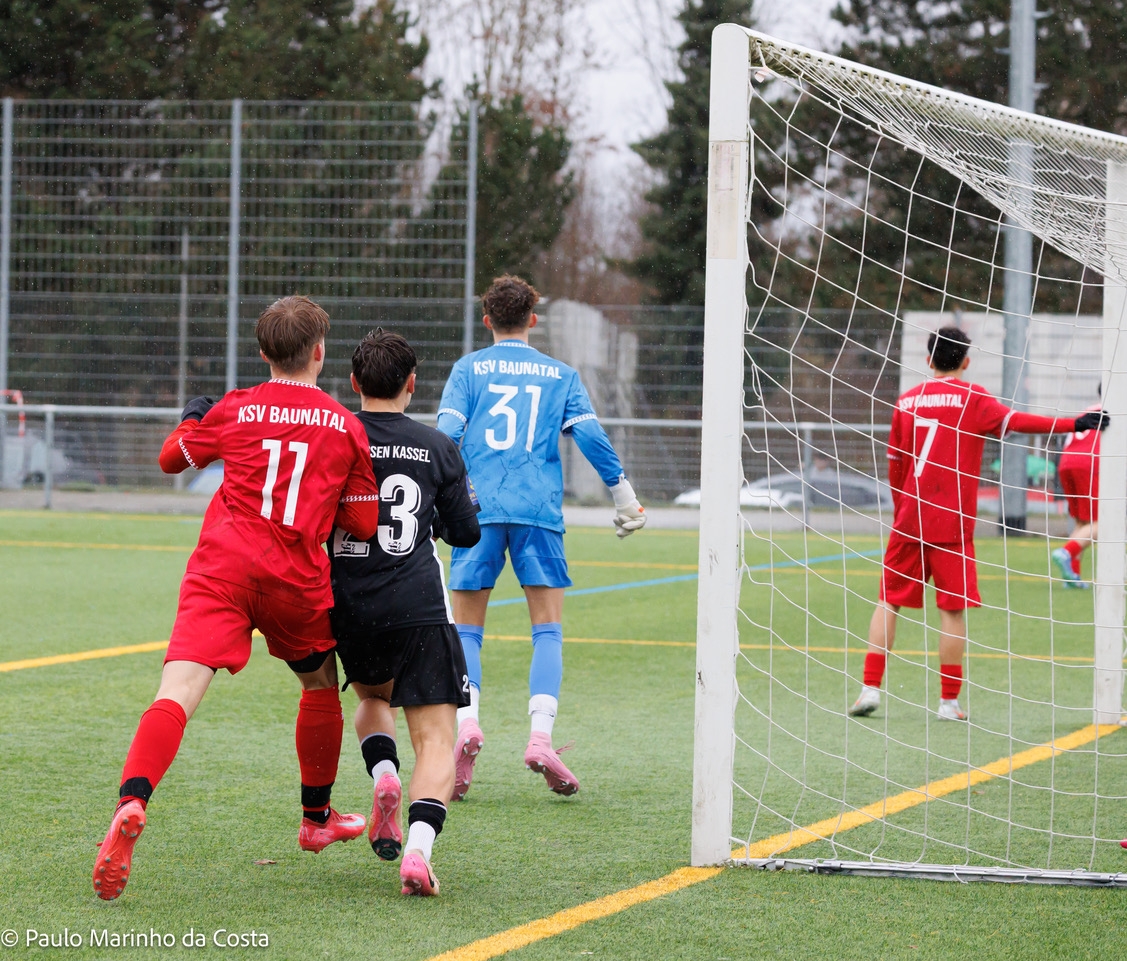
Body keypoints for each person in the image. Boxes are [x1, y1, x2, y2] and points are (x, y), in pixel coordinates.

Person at [93, 296, 380, 901]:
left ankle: (132, 801)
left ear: (263, 352)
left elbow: (171, 460)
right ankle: (316, 819)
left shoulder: (237, 407)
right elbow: (363, 523)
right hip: (294, 580)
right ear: (319, 353)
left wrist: (192, 418)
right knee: (319, 684)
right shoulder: (344, 424)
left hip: (222, 570)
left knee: (177, 691)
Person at [436, 274, 647, 799]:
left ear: (487, 319)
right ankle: (540, 738)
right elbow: (590, 435)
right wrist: (624, 497)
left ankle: (468, 725)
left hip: (477, 511)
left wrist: (434, 496)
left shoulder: (468, 369)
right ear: (533, 319)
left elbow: (445, 438)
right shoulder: (560, 375)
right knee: (547, 630)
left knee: (467, 633)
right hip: (538, 513)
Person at [849, 325, 1108, 722]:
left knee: (889, 601)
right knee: (951, 612)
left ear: (928, 359)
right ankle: (948, 703)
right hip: (951, 524)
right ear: (966, 361)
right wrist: (1075, 423)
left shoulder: (907, 401)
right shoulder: (973, 398)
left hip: (909, 520)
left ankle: (870, 688)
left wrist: (903, 511)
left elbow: (896, 465)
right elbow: (1019, 422)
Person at [328, 329, 481, 897]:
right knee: (436, 738)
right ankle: (417, 851)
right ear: (412, 384)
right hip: (417, 603)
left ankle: (384, 774)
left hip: (350, 602)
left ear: (353, 383)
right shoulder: (437, 446)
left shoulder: (335, 437)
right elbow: (466, 532)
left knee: (371, 699)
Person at [1051, 389, 1102, 589]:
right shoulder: (1118, 411)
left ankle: (1072, 576)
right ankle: (1066, 552)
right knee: (1103, 523)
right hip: (1091, 464)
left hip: (1067, 462)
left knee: (1083, 521)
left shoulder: (1089, 410)